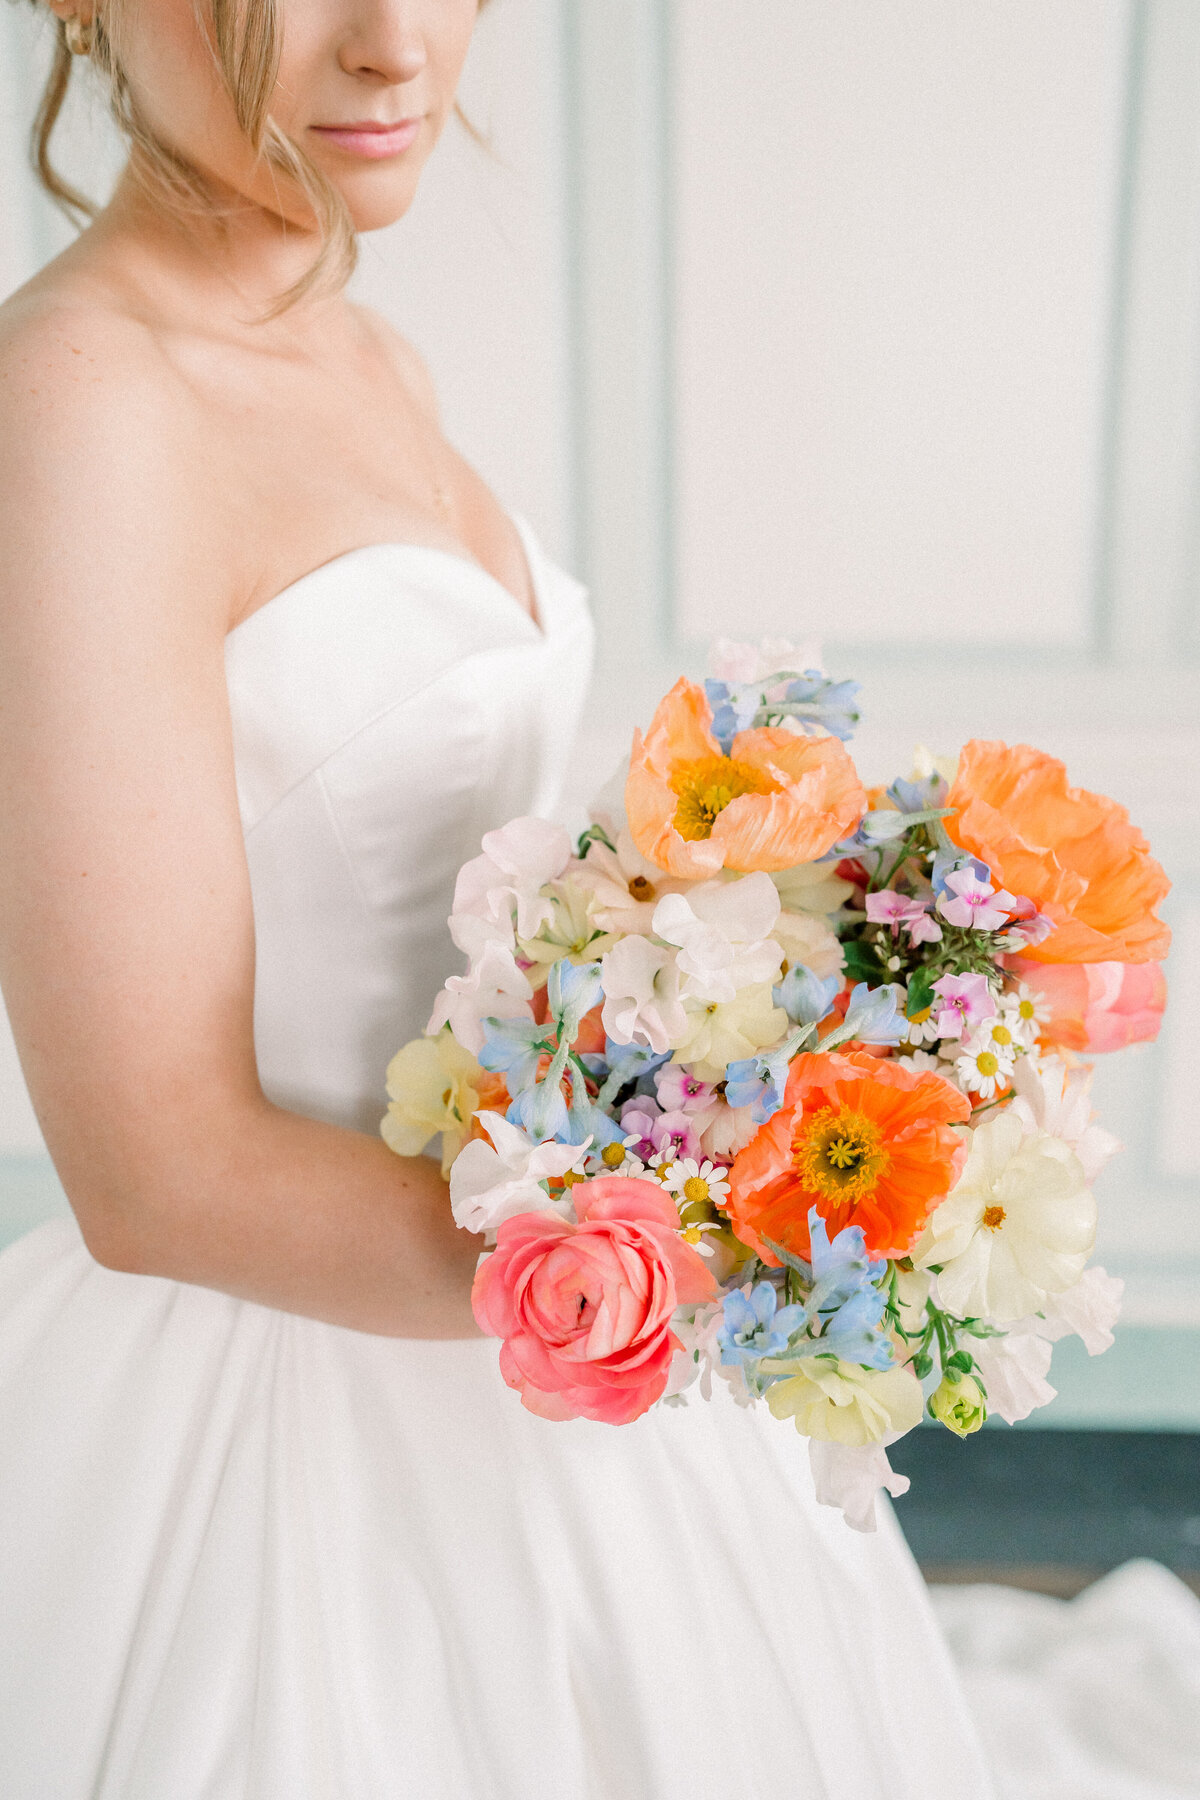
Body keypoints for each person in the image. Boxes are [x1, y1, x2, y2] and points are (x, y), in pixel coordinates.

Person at [0, 4, 995, 1795]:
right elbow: (151, 1173)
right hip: (312, 1384)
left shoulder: (362, 347)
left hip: (553, 1311)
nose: (394, 46)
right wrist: (709, 1248)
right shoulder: (77, 402)